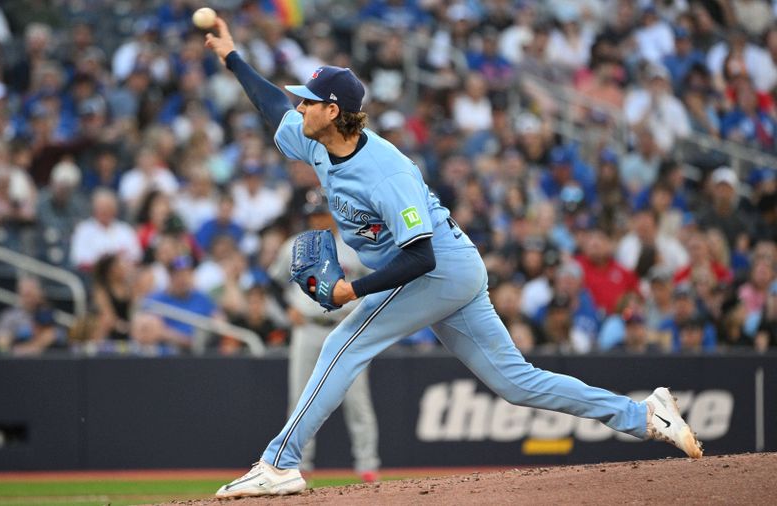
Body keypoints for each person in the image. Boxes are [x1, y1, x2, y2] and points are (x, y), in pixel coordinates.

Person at [205, 17, 703, 499]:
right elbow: (273, 106)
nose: (300, 106)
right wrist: (232, 58)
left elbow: (419, 257)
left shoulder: (385, 171)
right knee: (516, 383)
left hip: (439, 267)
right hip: (453, 271)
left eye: (310, 101)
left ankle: (280, 463)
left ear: (333, 112)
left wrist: (350, 290)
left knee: (343, 343)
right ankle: (642, 416)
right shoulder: (316, 143)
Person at [269, 195, 380, 482]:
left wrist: (361, 312)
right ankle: (298, 465)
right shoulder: (295, 244)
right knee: (300, 398)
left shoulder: (356, 243)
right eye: (313, 213)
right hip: (307, 326)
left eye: (322, 212)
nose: (317, 218)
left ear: (333, 213)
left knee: (357, 400)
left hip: (346, 327)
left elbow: (380, 281)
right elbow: (271, 283)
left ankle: (367, 466)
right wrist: (286, 309)